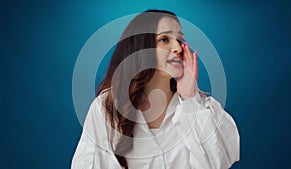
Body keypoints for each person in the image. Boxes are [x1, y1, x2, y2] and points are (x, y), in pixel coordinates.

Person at [71, 9, 240, 169]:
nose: (178, 48)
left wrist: (190, 98)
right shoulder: (106, 108)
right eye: (164, 39)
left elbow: (218, 163)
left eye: (180, 40)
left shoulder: (201, 107)